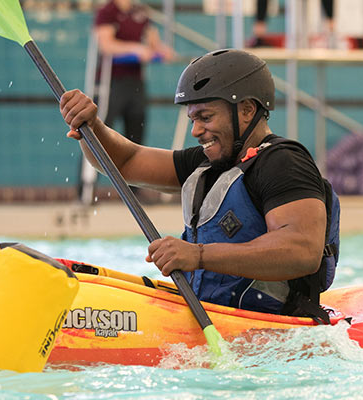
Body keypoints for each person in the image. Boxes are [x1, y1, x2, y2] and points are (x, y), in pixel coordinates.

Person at [60, 49, 340, 322]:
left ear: (246, 110)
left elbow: (302, 251)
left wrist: (198, 255)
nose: (195, 131)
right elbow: (125, 162)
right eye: (193, 119)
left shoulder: (284, 163)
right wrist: (92, 128)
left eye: (205, 117)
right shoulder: (208, 162)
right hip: (212, 314)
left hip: (272, 330)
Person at [80, 0, 174, 200]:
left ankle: (134, 192)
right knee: (97, 134)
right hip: (110, 83)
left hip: (135, 83)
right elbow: (107, 45)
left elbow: (152, 42)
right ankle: (86, 190)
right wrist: (135, 49)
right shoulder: (107, 12)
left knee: (135, 135)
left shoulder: (140, 11)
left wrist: (161, 50)